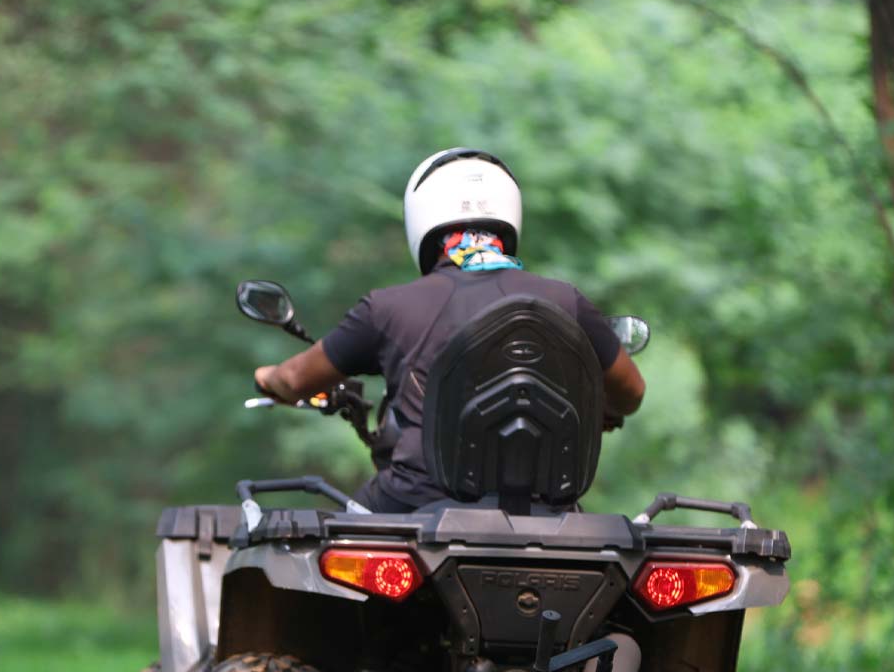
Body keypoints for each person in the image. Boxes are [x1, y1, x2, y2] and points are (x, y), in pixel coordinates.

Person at [253, 147, 646, 513]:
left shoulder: (388, 308)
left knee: (329, 543)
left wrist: (268, 378)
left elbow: (295, 379)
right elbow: (631, 392)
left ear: (422, 218)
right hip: (547, 509)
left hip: (415, 501)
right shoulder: (567, 301)